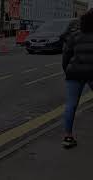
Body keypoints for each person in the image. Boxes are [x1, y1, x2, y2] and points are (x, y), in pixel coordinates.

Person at [62, 9, 93, 148]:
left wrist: (67, 71)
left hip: (74, 73)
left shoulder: (75, 35)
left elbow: (66, 56)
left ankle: (67, 137)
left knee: (71, 105)